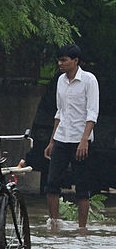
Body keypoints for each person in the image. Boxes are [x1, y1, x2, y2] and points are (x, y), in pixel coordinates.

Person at [45, 43, 99, 231]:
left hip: (80, 139)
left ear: (75, 61)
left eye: (64, 60)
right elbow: (60, 112)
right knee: (52, 183)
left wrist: (84, 139)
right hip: (62, 137)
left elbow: (92, 113)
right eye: (59, 60)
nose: (60, 63)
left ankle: (82, 228)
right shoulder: (60, 81)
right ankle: (54, 223)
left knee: (82, 187)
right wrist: (52, 141)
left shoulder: (89, 80)